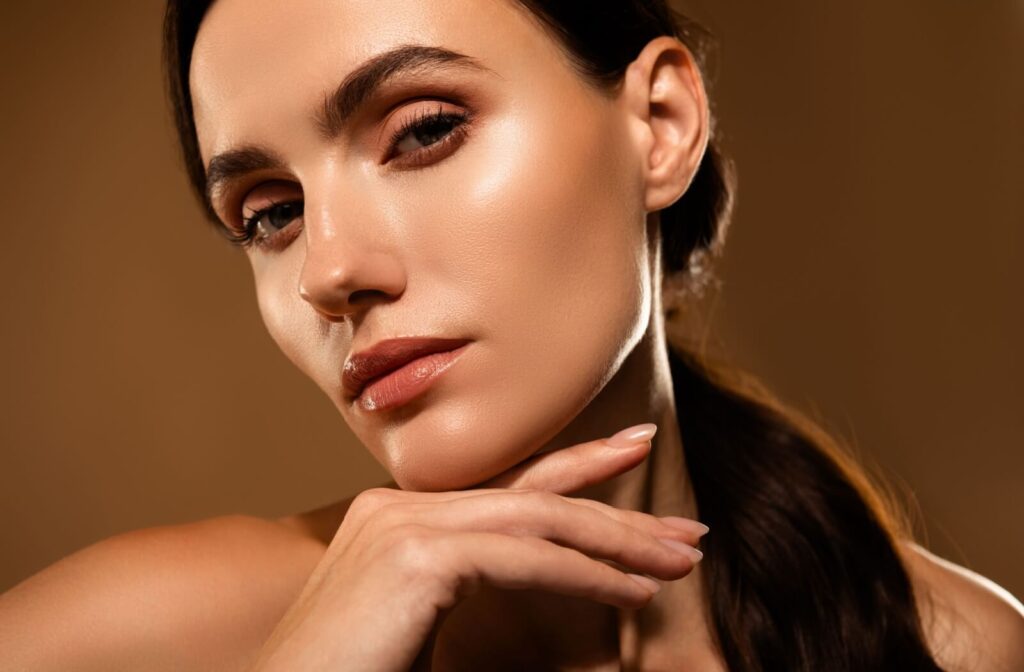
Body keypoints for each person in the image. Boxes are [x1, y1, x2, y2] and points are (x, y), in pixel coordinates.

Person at [2, 1, 1022, 670]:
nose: (328, 271)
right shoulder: (122, 639)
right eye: (270, 213)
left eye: (423, 130)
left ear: (659, 125)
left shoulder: (950, 645)